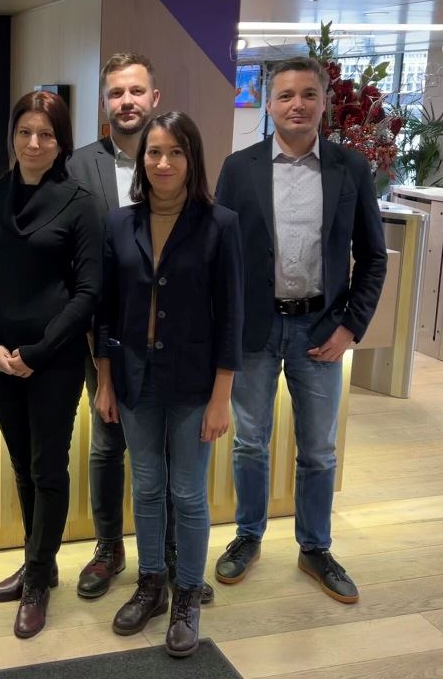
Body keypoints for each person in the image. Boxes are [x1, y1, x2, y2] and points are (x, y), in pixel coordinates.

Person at [214, 56, 387, 604]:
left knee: (318, 450)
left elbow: (373, 257)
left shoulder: (350, 168)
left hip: (321, 328)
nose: (297, 105)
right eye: (286, 95)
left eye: (308, 94)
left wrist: (351, 327)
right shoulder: (238, 168)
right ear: (269, 104)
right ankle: (248, 536)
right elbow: (219, 255)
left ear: (324, 102)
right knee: (250, 443)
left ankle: (315, 548)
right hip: (255, 329)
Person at [94, 112, 243, 657]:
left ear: (191, 159)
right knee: (147, 486)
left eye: (175, 152)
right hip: (134, 379)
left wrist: (222, 395)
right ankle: (151, 582)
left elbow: (232, 315)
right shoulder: (120, 222)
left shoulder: (219, 224)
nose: (163, 163)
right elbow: (106, 312)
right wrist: (105, 380)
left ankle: (187, 596)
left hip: (194, 383)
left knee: (188, 491)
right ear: (143, 160)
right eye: (154, 152)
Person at [67, 52, 214, 605]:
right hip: (103, 339)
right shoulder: (79, 166)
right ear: (105, 103)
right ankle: (110, 549)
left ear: (154, 98)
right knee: (108, 446)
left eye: (135, 91)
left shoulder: (181, 165)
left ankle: (176, 559)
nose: (125, 101)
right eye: (115, 93)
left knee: (172, 462)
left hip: (172, 348)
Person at [0, 90, 102, 639]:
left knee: (48, 468)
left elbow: (88, 291)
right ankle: (36, 562)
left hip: (55, 358)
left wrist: (39, 352)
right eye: (24, 132)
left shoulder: (80, 201)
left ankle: (40, 579)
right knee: (23, 466)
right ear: (12, 136)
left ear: (61, 142)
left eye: (45, 134)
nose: (33, 143)